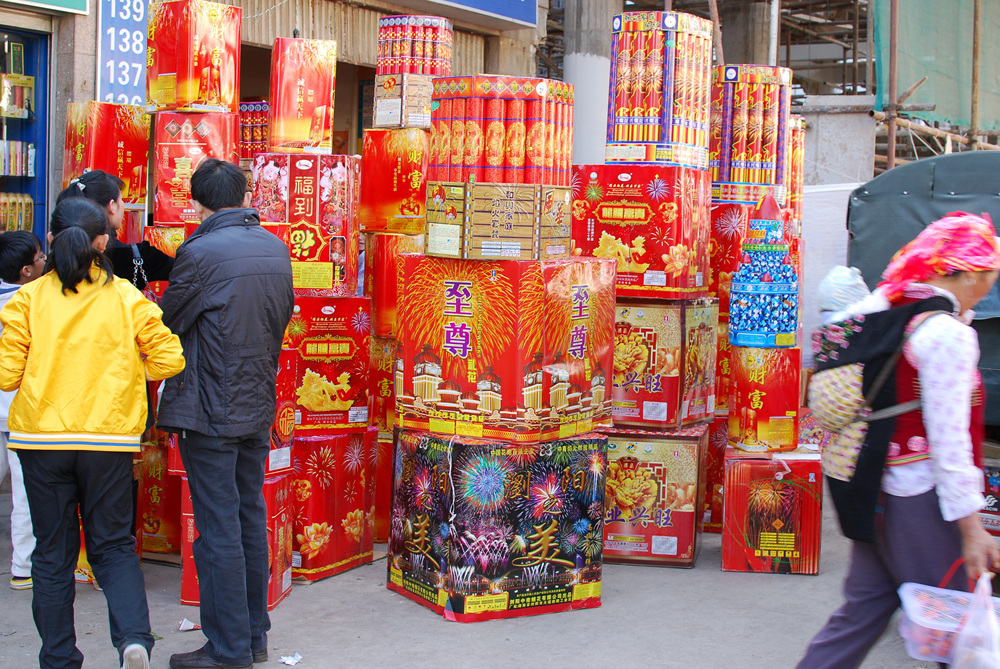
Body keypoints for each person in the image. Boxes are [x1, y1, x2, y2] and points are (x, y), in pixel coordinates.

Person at [798, 212, 1000, 668]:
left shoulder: (887, 311)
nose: (989, 286)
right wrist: (972, 529)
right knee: (958, 630)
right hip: (920, 501)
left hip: (870, 489)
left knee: (862, 612)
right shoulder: (946, 335)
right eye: (988, 274)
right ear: (964, 273)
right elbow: (950, 444)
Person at [0, 198, 185, 669]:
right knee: (114, 547)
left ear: (53, 240)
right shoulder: (126, 297)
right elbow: (170, 360)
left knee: (53, 554)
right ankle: (133, 643)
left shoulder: (27, 299)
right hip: (108, 442)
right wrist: (125, 369)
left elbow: (5, 375)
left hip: (40, 442)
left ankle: (59, 658)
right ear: (103, 242)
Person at [157, 159, 294, 669]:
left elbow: (171, 319)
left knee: (218, 527)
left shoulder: (199, 252)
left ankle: (228, 648)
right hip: (256, 403)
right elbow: (280, 317)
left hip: (210, 407)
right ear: (242, 195)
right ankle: (254, 636)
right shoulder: (276, 248)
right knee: (247, 517)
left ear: (198, 201)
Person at [0, 230, 45, 590]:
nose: (46, 262)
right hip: (19, 410)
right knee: (23, 494)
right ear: (27, 271)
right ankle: (22, 568)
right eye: (41, 258)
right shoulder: (34, 302)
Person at [58, 170, 174, 290]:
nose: (123, 205)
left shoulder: (57, 258)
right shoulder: (137, 257)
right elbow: (188, 270)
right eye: (122, 199)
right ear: (112, 206)